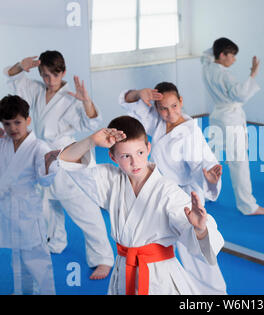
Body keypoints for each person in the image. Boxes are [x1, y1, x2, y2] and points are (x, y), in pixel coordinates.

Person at [57, 115, 225, 295]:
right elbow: (68, 160)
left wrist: (200, 229)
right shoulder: (112, 180)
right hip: (123, 270)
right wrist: (91, 140)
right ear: (113, 157)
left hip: (159, 277)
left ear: (148, 148)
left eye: (140, 153)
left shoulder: (167, 191)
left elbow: (200, 243)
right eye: (125, 156)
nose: (134, 162)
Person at [4, 51, 114, 279]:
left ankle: (103, 258)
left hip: (67, 156)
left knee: (84, 210)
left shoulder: (72, 96)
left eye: (54, 75)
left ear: (63, 72)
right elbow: (11, 75)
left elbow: (92, 121)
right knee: (48, 205)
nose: (49, 80)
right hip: (41, 155)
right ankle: (56, 242)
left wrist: (86, 101)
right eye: (44, 75)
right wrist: (20, 65)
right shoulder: (36, 89)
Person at [119, 82, 227, 294]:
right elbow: (129, 103)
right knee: (156, 245)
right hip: (159, 192)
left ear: (181, 102)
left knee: (194, 248)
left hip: (183, 195)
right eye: (163, 109)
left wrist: (210, 179)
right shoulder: (158, 123)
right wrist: (138, 93)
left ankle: (215, 291)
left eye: (174, 106)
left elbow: (202, 164)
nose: (170, 113)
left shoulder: (190, 133)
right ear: (157, 109)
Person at [201, 37, 264, 215]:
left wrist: (217, 46)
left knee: (212, 158)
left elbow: (206, 54)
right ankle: (248, 205)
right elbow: (240, 95)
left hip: (216, 116)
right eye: (232, 55)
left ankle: (204, 195)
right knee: (239, 162)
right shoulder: (225, 74)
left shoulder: (207, 67)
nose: (235, 59)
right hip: (230, 119)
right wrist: (253, 73)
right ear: (222, 55)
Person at [0, 95, 59, 294]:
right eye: (7, 124)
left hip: (28, 209)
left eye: (17, 122)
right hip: (7, 208)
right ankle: (22, 291)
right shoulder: (3, 142)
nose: (12, 128)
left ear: (28, 120)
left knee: (37, 259)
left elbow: (44, 181)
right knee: (16, 258)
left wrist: (49, 164)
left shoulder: (39, 147)